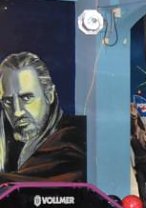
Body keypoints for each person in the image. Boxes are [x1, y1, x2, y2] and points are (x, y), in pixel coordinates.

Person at [0, 51, 84, 182]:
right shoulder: (6, 141)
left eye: (26, 98)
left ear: (49, 95)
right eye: (8, 101)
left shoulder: (72, 141)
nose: (17, 111)